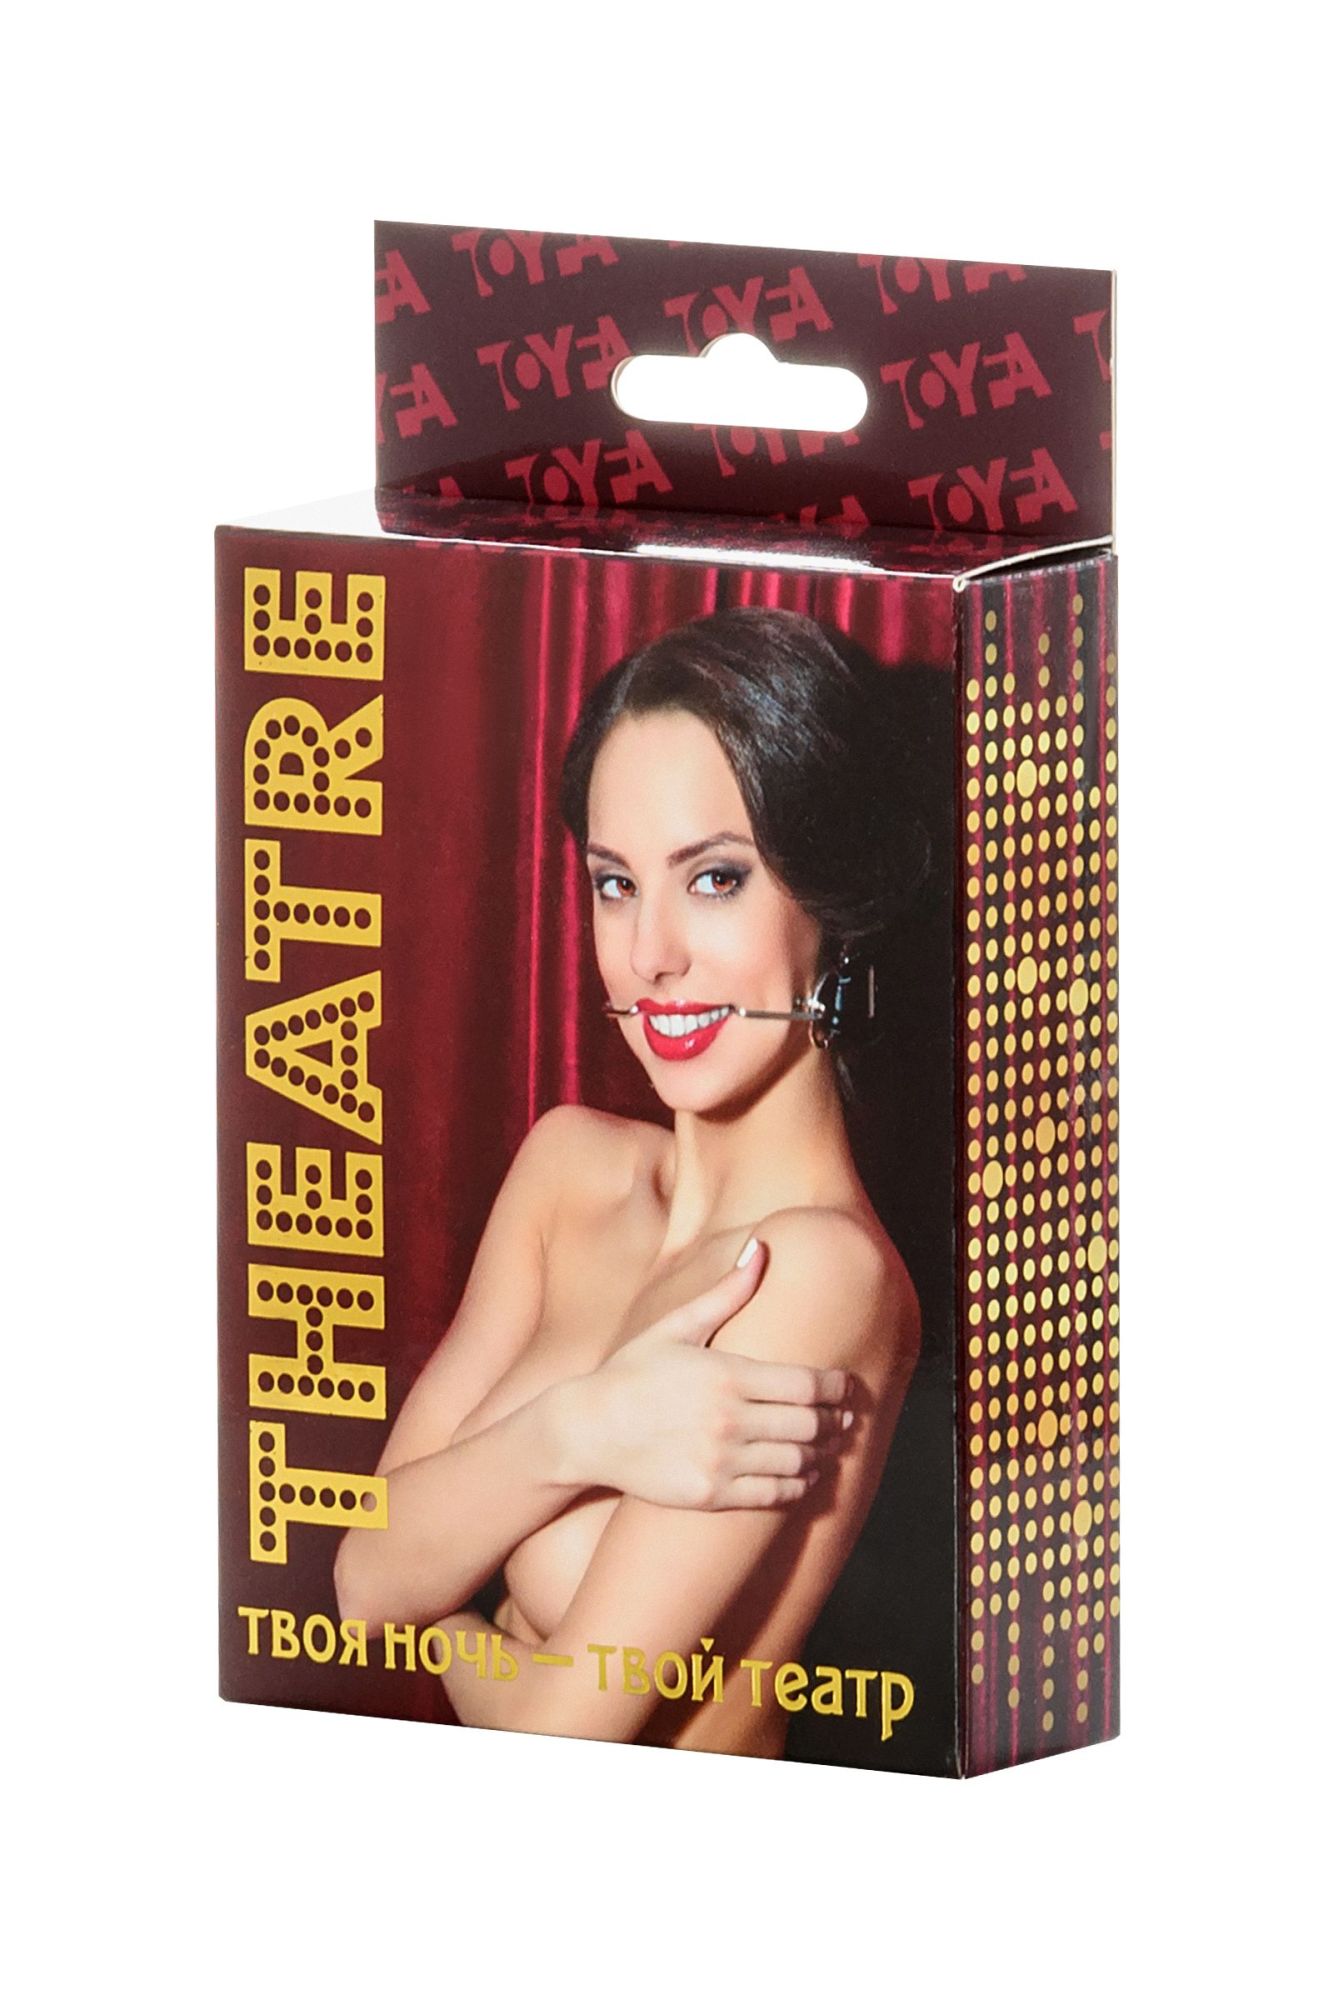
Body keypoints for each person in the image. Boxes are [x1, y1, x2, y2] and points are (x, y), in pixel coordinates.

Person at [334, 605, 926, 1756]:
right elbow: (359, 1580)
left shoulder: (817, 1269)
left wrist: (440, 1585)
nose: (650, 953)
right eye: (615, 884)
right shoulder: (569, 1170)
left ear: (830, 897)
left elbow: (564, 1727)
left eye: (715, 877)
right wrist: (582, 1427)